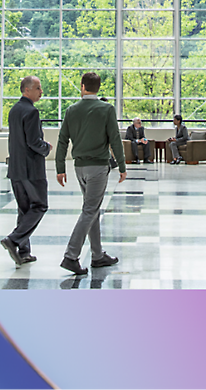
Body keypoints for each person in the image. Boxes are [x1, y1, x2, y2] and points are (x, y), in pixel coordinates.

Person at [54, 72, 127, 276]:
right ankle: (71, 256)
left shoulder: (71, 110)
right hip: (98, 167)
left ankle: (97, 255)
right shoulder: (106, 109)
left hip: (79, 168)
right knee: (90, 210)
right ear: (98, 87)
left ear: (82, 86)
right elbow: (115, 139)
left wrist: (60, 168)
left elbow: (62, 140)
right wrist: (121, 165)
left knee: (92, 208)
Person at [0, 76, 53, 267]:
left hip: (15, 168)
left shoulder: (14, 110)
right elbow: (33, 141)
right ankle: (13, 240)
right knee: (39, 206)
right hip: (31, 169)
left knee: (24, 209)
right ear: (27, 90)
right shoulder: (31, 111)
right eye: (38, 88)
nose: (41, 92)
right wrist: (46, 147)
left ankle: (23, 251)